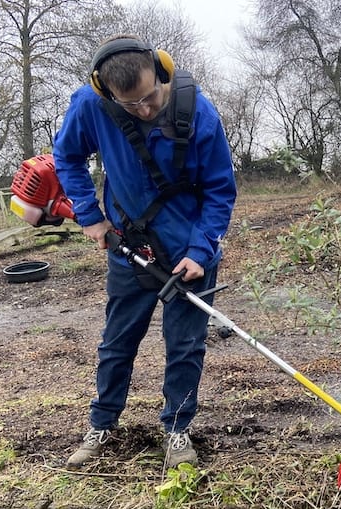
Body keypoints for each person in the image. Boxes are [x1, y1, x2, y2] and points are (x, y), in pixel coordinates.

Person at [52, 35, 236, 471]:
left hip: (189, 253)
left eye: (151, 97)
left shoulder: (199, 114)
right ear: (107, 93)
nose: (146, 110)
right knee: (117, 343)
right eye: (132, 105)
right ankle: (101, 424)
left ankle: (177, 430)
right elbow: (67, 156)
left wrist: (201, 250)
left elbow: (220, 191)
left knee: (186, 346)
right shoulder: (91, 106)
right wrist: (89, 215)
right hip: (128, 247)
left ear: (162, 70)